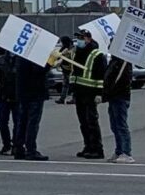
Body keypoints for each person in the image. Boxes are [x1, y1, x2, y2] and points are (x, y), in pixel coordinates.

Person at [72, 29, 106, 160]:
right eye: (78, 38)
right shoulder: (78, 53)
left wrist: (99, 93)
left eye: (81, 38)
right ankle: (88, 146)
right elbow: (74, 72)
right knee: (83, 122)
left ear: (88, 39)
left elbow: (100, 75)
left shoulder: (96, 55)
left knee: (91, 122)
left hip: (91, 93)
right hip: (79, 92)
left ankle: (97, 149)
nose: (79, 40)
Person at [14, 55, 49, 161]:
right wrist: (49, 63)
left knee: (22, 121)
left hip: (23, 92)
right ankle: (31, 150)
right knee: (32, 122)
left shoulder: (21, 56)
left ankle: (19, 149)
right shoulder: (35, 57)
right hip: (35, 92)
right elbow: (39, 70)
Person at [103, 55, 135, 164]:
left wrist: (109, 91)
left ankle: (126, 152)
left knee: (121, 125)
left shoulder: (124, 63)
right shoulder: (114, 62)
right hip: (113, 97)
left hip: (120, 97)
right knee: (115, 125)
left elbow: (122, 81)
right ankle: (119, 150)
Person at [0, 49, 18, 156]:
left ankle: (16, 144)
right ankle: (6, 145)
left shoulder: (20, 61)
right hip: (3, 96)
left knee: (18, 122)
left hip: (17, 97)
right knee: (3, 121)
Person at [56, 36, 75, 105]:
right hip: (65, 69)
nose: (62, 44)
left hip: (72, 70)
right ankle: (62, 98)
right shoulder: (63, 48)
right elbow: (58, 57)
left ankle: (74, 99)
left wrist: (65, 54)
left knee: (73, 85)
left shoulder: (72, 49)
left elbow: (71, 59)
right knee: (65, 85)